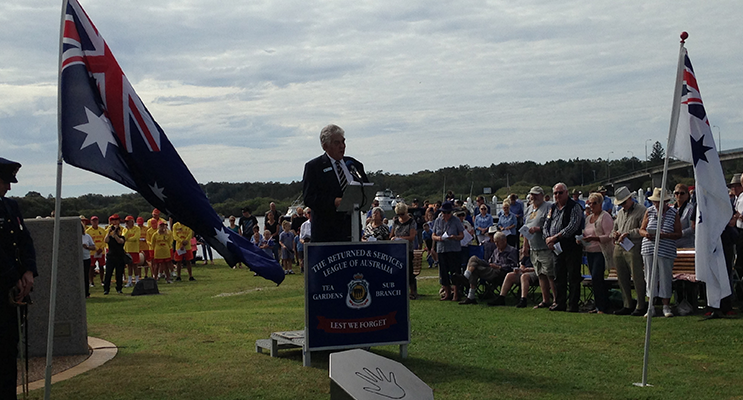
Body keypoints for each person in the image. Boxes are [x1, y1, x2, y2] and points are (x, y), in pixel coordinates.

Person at [0, 158, 37, 399]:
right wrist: (14, 277)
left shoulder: (10, 207)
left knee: (7, 351)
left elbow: (24, 240)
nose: (9, 187)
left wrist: (29, 271)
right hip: (4, 285)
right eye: (5, 181)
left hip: (13, 291)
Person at [303, 124, 369, 242]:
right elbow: (309, 198)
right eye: (336, 143)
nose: (342, 146)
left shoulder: (354, 164)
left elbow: (366, 189)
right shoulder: (314, 167)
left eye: (343, 142)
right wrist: (333, 201)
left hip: (352, 230)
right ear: (325, 146)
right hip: (327, 234)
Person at [640, 188, 682, 318]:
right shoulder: (649, 211)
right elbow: (641, 229)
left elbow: (678, 233)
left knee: (665, 277)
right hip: (649, 247)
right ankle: (650, 306)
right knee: (650, 276)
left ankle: (666, 306)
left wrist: (665, 235)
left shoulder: (673, 213)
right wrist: (646, 234)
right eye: (655, 202)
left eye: (660, 202)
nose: (657, 204)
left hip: (666, 248)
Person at [543, 183, 584, 312]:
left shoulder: (575, 207)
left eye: (560, 193)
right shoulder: (552, 208)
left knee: (573, 277)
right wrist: (547, 238)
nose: (557, 195)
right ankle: (560, 303)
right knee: (558, 277)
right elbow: (546, 224)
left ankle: (573, 305)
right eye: (555, 193)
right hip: (556, 248)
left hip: (571, 247)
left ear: (567, 193)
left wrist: (555, 237)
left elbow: (573, 226)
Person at [610, 186, 648, 316]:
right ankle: (627, 304)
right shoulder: (620, 213)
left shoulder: (642, 210)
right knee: (622, 277)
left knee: (637, 277)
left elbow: (643, 229)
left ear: (631, 199)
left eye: (624, 203)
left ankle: (641, 304)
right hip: (619, 246)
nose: (622, 206)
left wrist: (628, 233)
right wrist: (614, 234)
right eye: (620, 204)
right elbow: (614, 228)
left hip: (633, 246)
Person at [459, 232, 518, 305]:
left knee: (475, 266)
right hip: (491, 268)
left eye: (497, 242)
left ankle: (468, 286)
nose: (496, 244)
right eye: (495, 242)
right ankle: (468, 287)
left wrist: (500, 266)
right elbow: (490, 261)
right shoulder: (496, 250)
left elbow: (514, 265)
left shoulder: (511, 250)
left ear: (504, 241)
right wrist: (490, 264)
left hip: (501, 271)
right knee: (474, 261)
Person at [522, 186, 556, 309]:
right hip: (533, 247)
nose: (534, 197)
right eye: (532, 194)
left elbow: (552, 226)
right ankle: (545, 299)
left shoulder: (548, 207)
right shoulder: (529, 209)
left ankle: (556, 300)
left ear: (542, 195)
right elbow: (526, 227)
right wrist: (525, 245)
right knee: (540, 274)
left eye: (536, 194)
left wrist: (538, 229)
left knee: (550, 274)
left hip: (545, 246)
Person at [581, 193, 614, 314]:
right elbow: (586, 233)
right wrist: (582, 239)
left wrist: (594, 238)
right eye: (589, 203)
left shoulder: (605, 217)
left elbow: (609, 235)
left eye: (594, 203)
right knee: (594, 280)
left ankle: (602, 306)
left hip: (600, 251)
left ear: (600, 204)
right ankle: (598, 304)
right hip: (589, 251)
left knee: (597, 277)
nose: (591, 205)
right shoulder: (588, 218)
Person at [489, 238, 537, 308]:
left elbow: (540, 267)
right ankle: (501, 297)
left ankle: (523, 299)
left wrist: (528, 269)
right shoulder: (527, 253)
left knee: (524, 276)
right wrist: (520, 268)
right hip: (524, 271)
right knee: (510, 275)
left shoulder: (538, 253)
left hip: (535, 272)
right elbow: (522, 264)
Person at [432, 201, 465, 301]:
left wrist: (454, 237)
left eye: (448, 213)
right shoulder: (438, 221)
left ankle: (456, 294)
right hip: (442, 249)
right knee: (444, 272)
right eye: (444, 213)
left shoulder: (456, 221)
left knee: (455, 272)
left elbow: (462, 235)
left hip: (454, 249)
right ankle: (447, 293)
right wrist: (439, 238)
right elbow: (433, 235)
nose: (446, 215)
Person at [390, 203, 418, 299]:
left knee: (409, 271)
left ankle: (413, 291)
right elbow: (391, 235)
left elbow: (412, 237)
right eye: (398, 214)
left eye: (402, 214)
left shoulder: (411, 222)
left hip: (407, 250)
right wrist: (393, 238)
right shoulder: (396, 222)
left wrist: (400, 238)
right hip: (397, 250)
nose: (400, 216)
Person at [103, 214, 126, 295]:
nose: (115, 222)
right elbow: (106, 240)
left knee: (119, 273)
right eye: (113, 220)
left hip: (120, 256)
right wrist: (109, 232)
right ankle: (106, 289)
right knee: (108, 273)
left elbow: (120, 241)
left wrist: (115, 234)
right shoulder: (109, 231)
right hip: (111, 256)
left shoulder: (122, 232)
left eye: (116, 220)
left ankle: (119, 288)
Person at [673, 184, 695, 249]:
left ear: (687, 195)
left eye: (682, 193)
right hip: (673, 244)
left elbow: (692, 228)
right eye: (677, 193)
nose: (679, 195)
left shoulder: (690, 208)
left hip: (686, 245)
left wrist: (679, 234)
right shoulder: (671, 209)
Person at [86, 215, 106, 286]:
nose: (95, 222)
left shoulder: (102, 230)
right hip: (92, 251)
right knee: (91, 267)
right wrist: (97, 248)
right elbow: (88, 241)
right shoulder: (88, 231)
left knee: (101, 266)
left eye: (96, 221)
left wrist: (101, 248)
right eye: (93, 221)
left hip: (101, 251)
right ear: (91, 222)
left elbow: (105, 240)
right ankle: (91, 281)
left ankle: (102, 281)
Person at [81, 217, 94, 298]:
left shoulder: (87, 236)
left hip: (86, 258)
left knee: (86, 276)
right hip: (77, 259)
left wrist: (87, 247)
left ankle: (86, 293)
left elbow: (94, 247)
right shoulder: (74, 236)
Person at [298, 208, 311, 273]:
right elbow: (301, 238)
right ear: (306, 215)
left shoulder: (318, 223)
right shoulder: (304, 225)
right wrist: (304, 242)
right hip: (306, 244)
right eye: (309, 213)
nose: (310, 214)